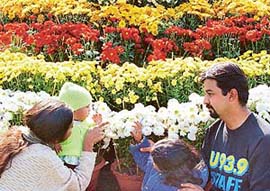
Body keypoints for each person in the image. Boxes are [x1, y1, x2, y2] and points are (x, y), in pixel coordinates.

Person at [0, 99, 107, 191]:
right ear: (56, 135)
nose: (73, 129)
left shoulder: (16, 135)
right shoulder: (42, 156)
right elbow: (78, 185)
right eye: (71, 126)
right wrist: (87, 144)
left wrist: (52, 144)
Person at [198, 62, 270, 191]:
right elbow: (202, 177)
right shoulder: (213, 131)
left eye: (210, 93)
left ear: (232, 95)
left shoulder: (263, 140)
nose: (205, 101)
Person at [130, 121, 209, 191]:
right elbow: (145, 161)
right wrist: (140, 141)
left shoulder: (187, 186)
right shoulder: (174, 161)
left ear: (166, 168)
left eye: (153, 159)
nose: (151, 160)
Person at [55, 82, 103, 169]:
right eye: (87, 107)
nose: (89, 110)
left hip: (81, 158)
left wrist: (97, 122)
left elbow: (94, 131)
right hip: (65, 159)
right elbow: (53, 133)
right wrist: (55, 142)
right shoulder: (63, 124)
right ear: (74, 109)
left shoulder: (86, 122)